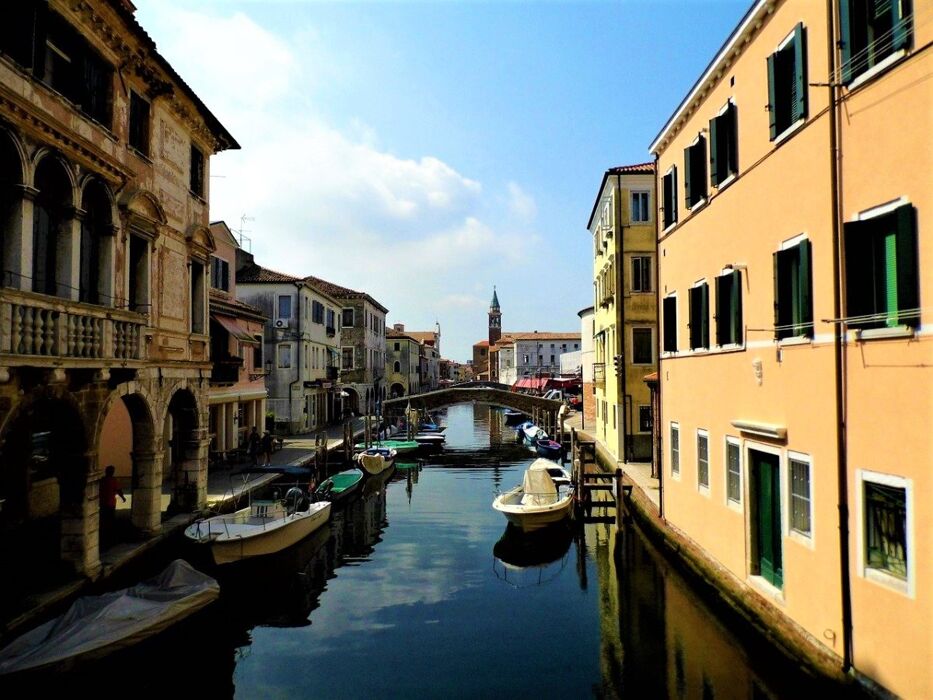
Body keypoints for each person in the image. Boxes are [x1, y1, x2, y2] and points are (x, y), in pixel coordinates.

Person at [99, 465, 126, 547]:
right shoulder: (113, 480)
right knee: (110, 519)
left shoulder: (102, 480)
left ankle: (103, 533)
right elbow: (118, 490)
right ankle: (110, 535)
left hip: (103, 503)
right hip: (110, 503)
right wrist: (123, 497)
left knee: (104, 518)